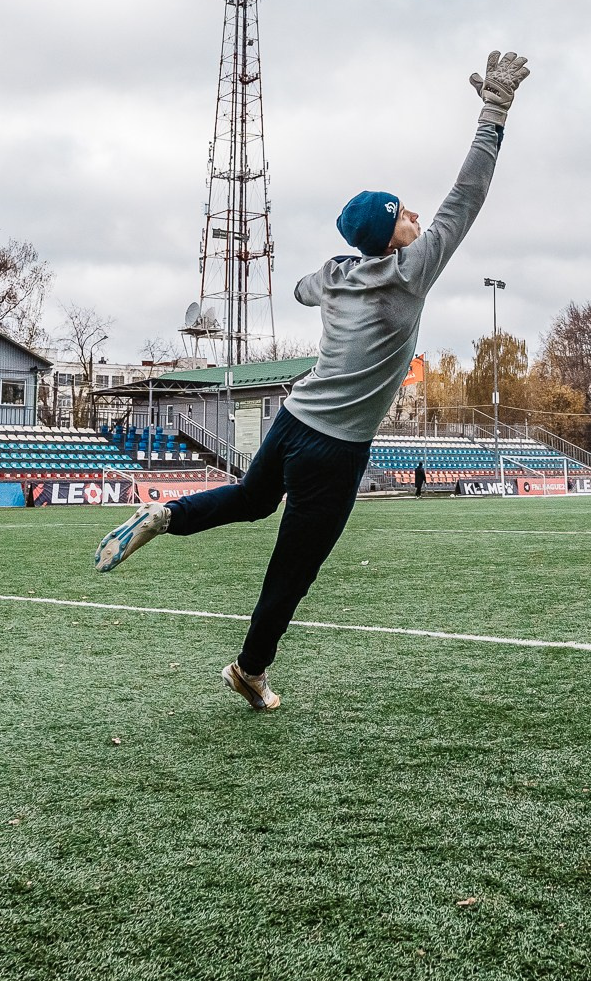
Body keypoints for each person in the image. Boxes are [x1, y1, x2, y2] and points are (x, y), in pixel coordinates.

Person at [92, 51, 530, 712]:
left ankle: (166, 514)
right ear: (390, 238)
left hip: (292, 421)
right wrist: (493, 112)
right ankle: (250, 670)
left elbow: (302, 288)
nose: (416, 215)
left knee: (251, 497)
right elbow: (466, 197)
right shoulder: (409, 272)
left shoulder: (335, 273)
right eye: (403, 214)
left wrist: (325, 282)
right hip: (335, 448)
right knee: (292, 570)